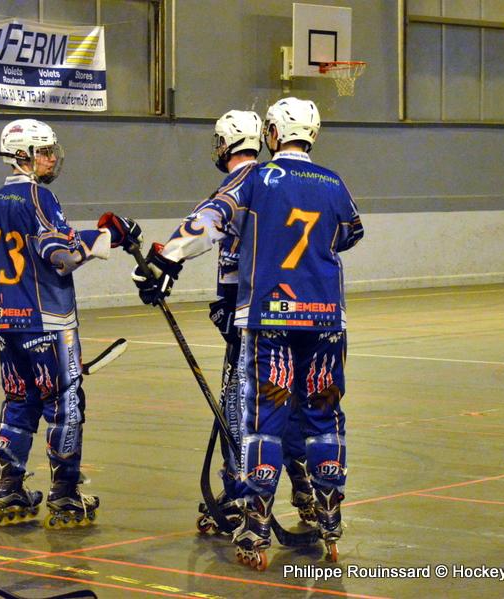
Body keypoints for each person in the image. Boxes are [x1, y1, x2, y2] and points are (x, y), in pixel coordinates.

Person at [133, 98, 363, 567]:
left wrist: (165, 260)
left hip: (270, 318)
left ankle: (255, 528)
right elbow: (350, 234)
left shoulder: (256, 179)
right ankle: (330, 522)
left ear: (273, 135)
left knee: (265, 423)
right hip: (325, 320)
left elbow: (211, 220)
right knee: (324, 416)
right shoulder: (334, 182)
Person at [0, 119, 140, 529]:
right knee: (65, 406)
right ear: (23, 156)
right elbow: (60, 255)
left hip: (10, 325)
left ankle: (10, 488)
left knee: (18, 403)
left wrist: (1, 315)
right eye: (45, 151)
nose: (52, 158)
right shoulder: (39, 196)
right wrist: (103, 237)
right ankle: (65, 494)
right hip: (50, 323)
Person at [193, 111, 319, 537]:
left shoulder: (240, 185)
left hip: (253, 314)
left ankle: (238, 493)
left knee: (242, 405)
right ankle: (304, 484)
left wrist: (227, 304)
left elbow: (231, 254)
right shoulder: (276, 180)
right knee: (289, 400)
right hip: (298, 309)